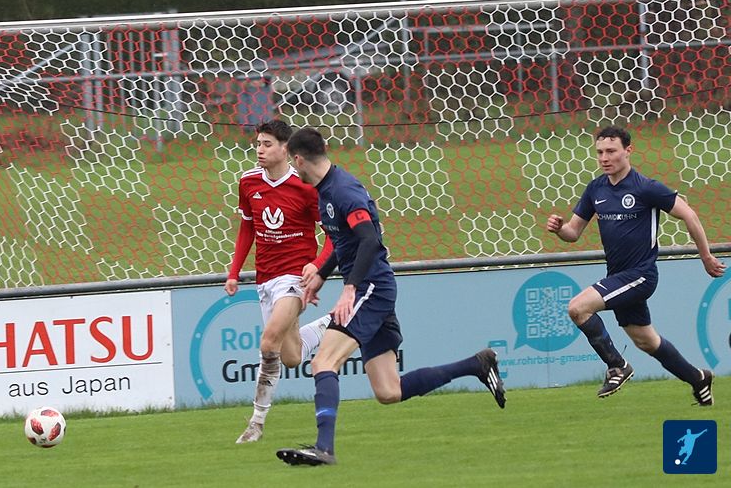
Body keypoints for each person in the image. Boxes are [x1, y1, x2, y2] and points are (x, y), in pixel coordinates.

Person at [275, 127, 506, 466]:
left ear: (297, 159)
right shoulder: (327, 190)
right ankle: (477, 364)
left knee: (323, 362)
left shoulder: (344, 190)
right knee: (388, 391)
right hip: (372, 288)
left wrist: (350, 289)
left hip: (370, 288)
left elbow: (369, 239)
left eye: (292, 164)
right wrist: (321, 275)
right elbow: (346, 242)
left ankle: (324, 448)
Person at [546, 125, 724, 405]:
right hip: (618, 277)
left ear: (628, 151)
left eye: (611, 151)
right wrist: (559, 230)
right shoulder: (595, 188)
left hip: (641, 276)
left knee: (577, 308)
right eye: (600, 152)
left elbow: (689, 215)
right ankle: (698, 378)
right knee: (646, 341)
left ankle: (617, 366)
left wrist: (706, 256)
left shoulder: (646, 188)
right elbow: (573, 232)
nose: (604, 158)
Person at [227, 119, 334, 444]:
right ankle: (334, 321)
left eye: (267, 144)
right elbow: (248, 227)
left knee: (268, 341)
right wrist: (234, 272)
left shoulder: (306, 187)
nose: (259, 150)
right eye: (258, 144)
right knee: (291, 357)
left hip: (295, 278)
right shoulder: (248, 182)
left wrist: (317, 267)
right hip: (265, 279)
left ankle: (256, 422)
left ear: (285, 149)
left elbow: (333, 235)